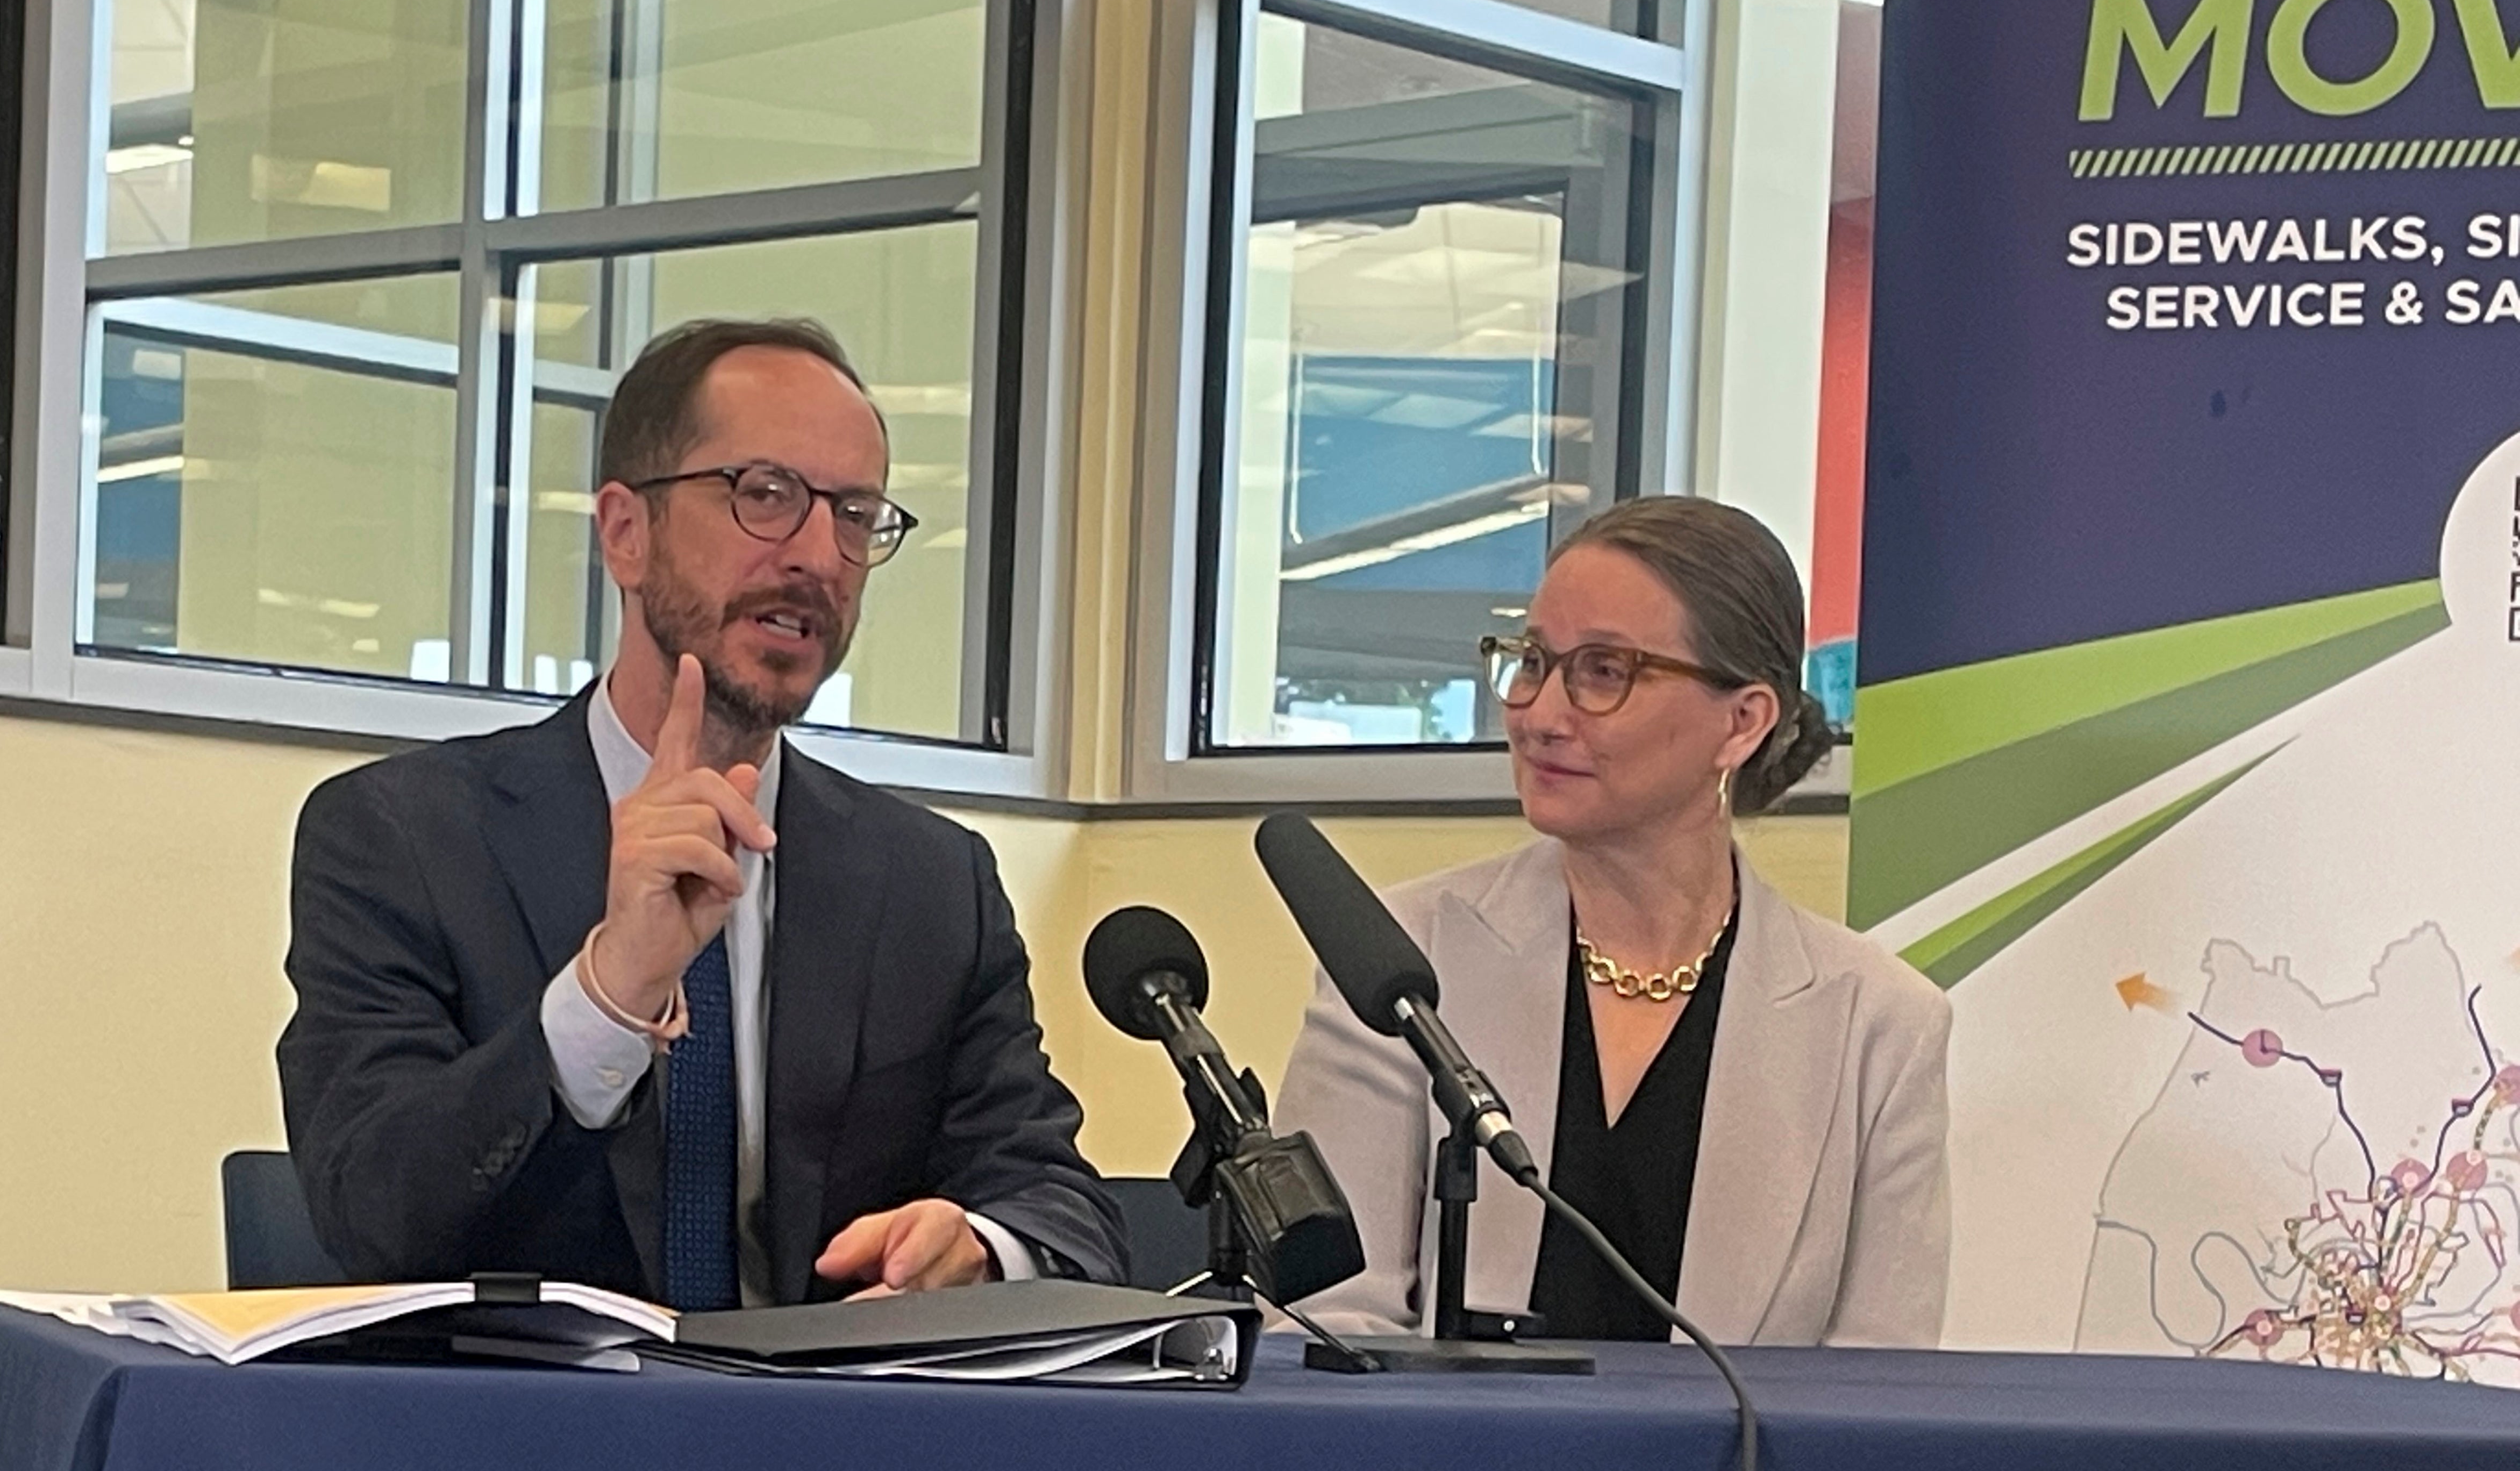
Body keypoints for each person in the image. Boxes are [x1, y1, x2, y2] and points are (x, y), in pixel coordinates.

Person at [279, 316, 1123, 1306]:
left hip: (825, 1444)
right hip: (526, 1442)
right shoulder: (400, 837)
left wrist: (978, 1246)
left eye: (855, 515)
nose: (818, 555)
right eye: (765, 496)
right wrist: (607, 994)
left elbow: (1061, 1202)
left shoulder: (930, 883)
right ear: (626, 533)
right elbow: (370, 1211)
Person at [1271, 496, 1948, 1346]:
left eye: (1603, 673)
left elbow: (1880, 1396)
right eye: (1532, 661)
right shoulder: (1395, 961)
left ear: (1742, 722)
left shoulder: (1879, 1025)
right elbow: (1324, 1322)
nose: (1540, 713)